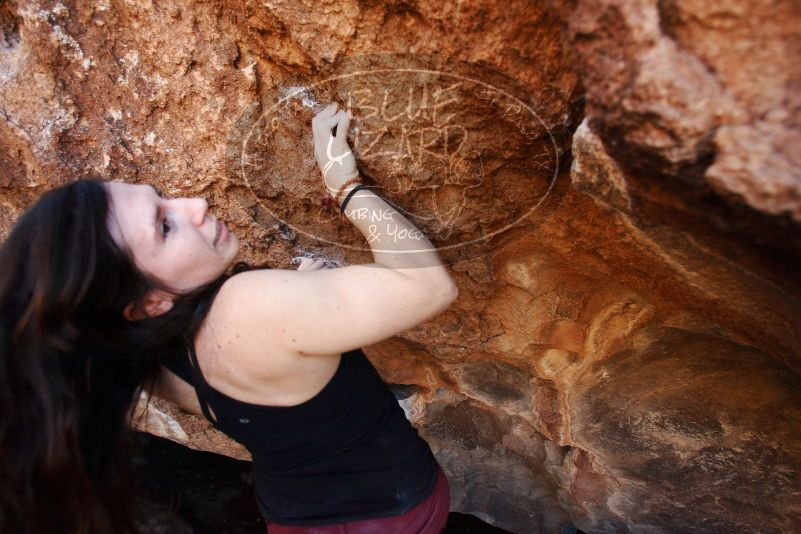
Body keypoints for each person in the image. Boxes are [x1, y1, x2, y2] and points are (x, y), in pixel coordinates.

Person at [0, 102, 458, 534]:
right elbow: (428, 287)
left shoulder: (134, 352)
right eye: (164, 226)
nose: (194, 205)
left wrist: (296, 297)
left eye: (163, 199)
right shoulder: (253, 306)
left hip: (293, 517)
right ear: (146, 303)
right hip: (390, 512)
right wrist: (345, 186)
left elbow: (258, 358)